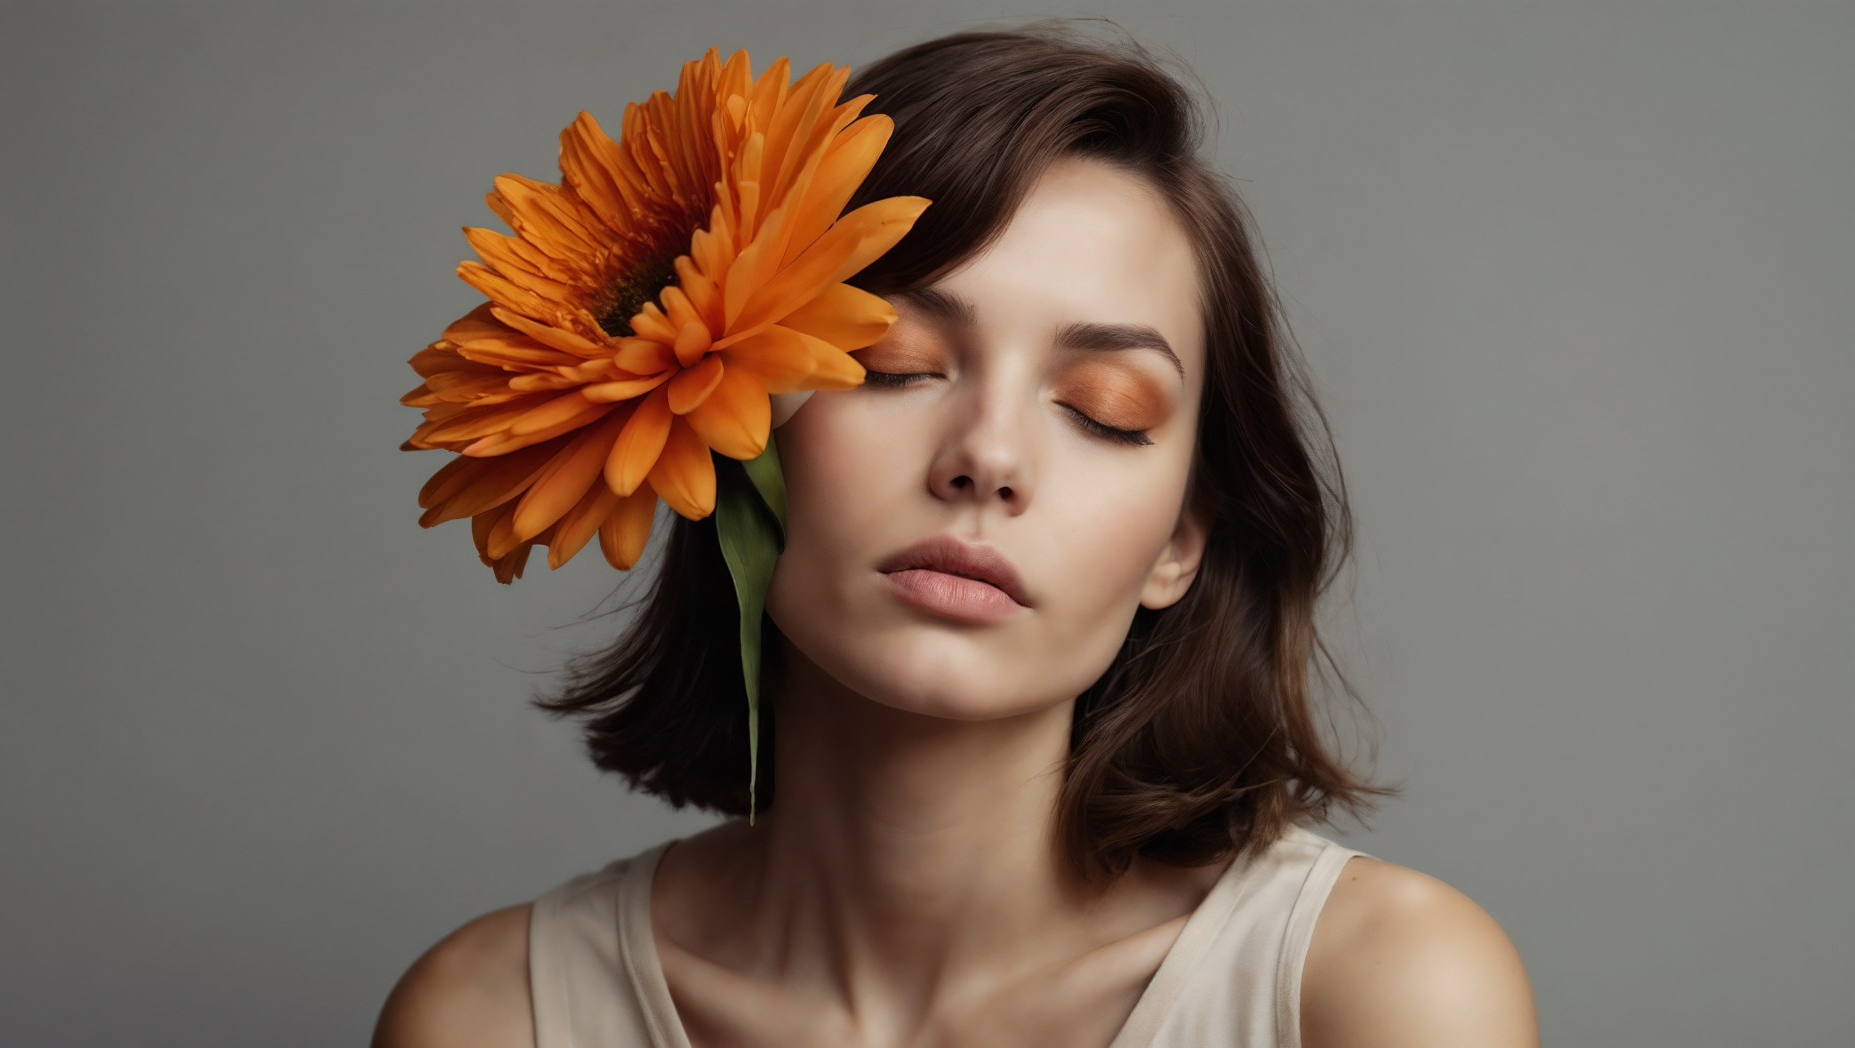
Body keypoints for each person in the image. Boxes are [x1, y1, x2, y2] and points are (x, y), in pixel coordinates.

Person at [374, 26, 1538, 1048]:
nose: (987, 455)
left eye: (1101, 410)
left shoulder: (1377, 993)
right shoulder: (494, 1017)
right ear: (730, 422)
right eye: (890, 365)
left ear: (1179, 541)